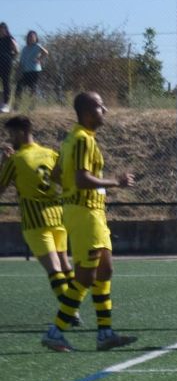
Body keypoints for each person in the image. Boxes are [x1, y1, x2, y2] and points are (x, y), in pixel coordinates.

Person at [43, 92, 137, 352]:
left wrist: (72, 190)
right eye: (99, 106)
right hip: (85, 213)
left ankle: (105, 333)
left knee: (105, 270)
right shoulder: (82, 139)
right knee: (85, 276)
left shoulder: (73, 138)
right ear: (86, 112)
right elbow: (82, 179)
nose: (104, 110)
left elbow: (57, 174)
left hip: (90, 211)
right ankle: (55, 331)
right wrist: (116, 182)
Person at [0, 116, 80, 337]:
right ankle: (73, 307)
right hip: (58, 217)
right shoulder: (50, 153)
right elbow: (65, 181)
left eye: (11, 134)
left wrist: (3, 163)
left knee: (54, 269)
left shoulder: (16, 160)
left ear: (21, 132)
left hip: (36, 221)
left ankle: (69, 312)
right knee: (65, 266)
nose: (9, 139)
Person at [17, 31, 46, 108]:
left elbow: (46, 52)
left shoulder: (37, 46)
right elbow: (21, 61)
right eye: (29, 36)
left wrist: (39, 59)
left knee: (33, 88)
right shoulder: (25, 48)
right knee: (19, 86)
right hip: (25, 71)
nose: (31, 38)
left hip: (35, 71)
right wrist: (19, 71)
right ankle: (17, 104)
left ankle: (32, 105)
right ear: (27, 38)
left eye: (33, 37)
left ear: (36, 38)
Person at [0, 23, 17, 113]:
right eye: (0, 28)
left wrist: (12, 57)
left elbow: (16, 50)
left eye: (3, 28)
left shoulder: (9, 38)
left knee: (6, 82)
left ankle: (6, 104)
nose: (1, 30)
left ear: (6, 29)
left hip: (6, 63)